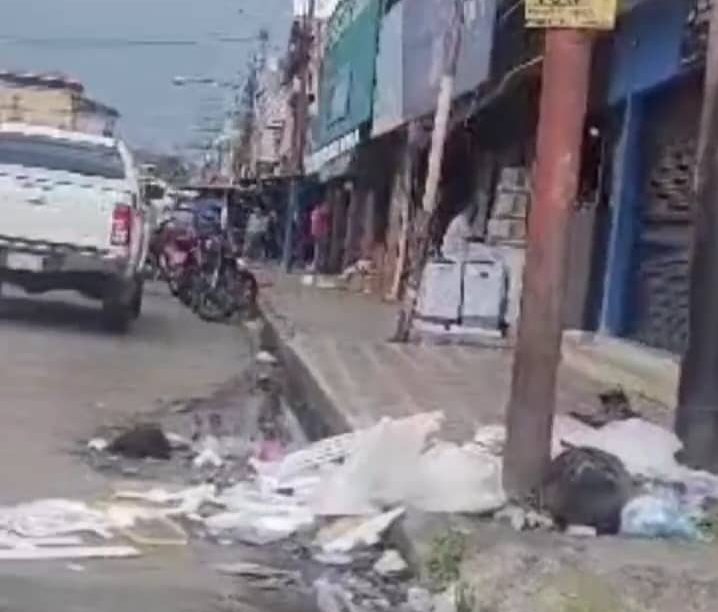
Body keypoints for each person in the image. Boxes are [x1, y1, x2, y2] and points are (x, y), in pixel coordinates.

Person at [310, 199, 331, 273]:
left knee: (319, 251)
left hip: (319, 234)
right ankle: (318, 267)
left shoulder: (315, 213)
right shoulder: (318, 214)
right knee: (320, 251)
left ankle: (317, 266)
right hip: (320, 234)